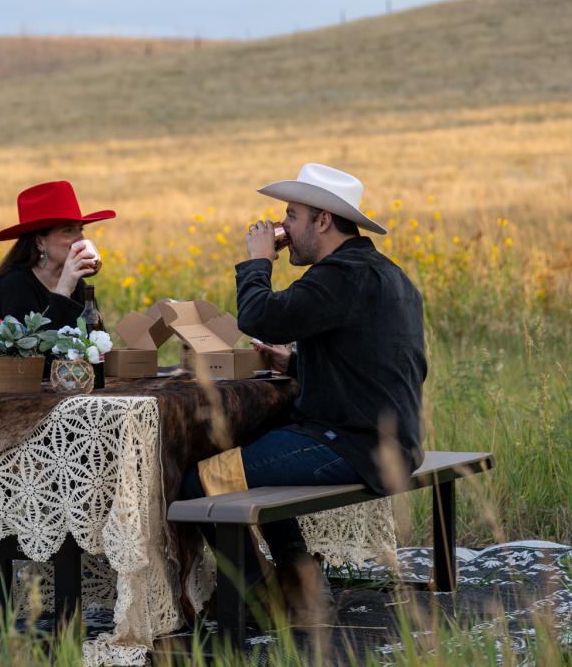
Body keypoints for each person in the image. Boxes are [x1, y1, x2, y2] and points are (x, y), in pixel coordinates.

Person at [179, 162, 427, 623]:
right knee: (253, 456)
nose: (282, 229)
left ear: (323, 220)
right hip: (385, 439)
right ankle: (298, 583)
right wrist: (295, 363)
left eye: (291, 216)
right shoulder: (381, 272)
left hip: (356, 445)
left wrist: (257, 260)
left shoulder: (339, 275)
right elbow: (368, 363)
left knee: (198, 484)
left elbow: (258, 316)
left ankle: (259, 600)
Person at [0, 180, 115, 328]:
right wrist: (63, 291)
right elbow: (35, 348)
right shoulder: (15, 287)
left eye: (80, 229)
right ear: (40, 242)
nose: (80, 238)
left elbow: (97, 341)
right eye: (68, 230)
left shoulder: (78, 285)